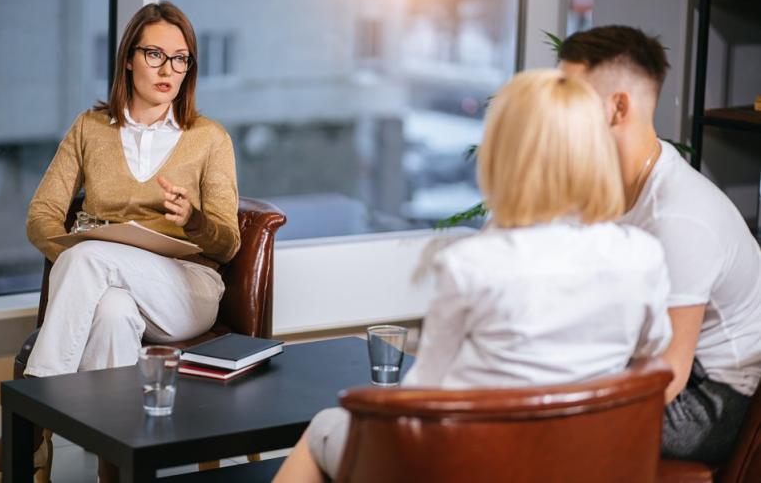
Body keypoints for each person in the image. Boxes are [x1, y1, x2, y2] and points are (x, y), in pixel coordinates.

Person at [272, 69, 673, 483]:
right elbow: (651, 352)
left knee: (323, 426)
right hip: (581, 466)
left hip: (467, 465)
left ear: (505, 155)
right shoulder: (642, 256)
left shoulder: (474, 265)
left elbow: (424, 394)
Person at [0, 1, 240, 483]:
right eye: (155, 54)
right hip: (111, 284)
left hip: (186, 289)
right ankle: (116, 471)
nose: (168, 69)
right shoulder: (90, 129)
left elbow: (229, 242)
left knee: (92, 258)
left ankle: (24, 437)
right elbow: (42, 215)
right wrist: (86, 257)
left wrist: (193, 221)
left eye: (181, 58)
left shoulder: (209, 138)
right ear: (128, 58)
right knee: (110, 312)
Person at [558, 25, 761, 463]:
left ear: (617, 107)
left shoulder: (679, 216)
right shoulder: (605, 186)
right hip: (646, 365)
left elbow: (667, 377)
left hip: (711, 397)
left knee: (545, 429)